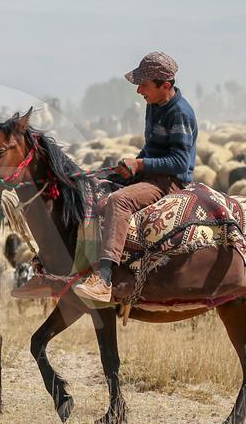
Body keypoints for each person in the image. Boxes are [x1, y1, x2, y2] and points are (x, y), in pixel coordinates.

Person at [72, 51, 198, 303]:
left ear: (165, 85)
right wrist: (132, 166)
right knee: (94, 191)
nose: (139, 90)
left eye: (143, 84)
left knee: (119, 201)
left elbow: (180, 162)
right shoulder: (154, 105)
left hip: (169, 182)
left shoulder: (179, 113)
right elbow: (152, 149)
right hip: (151, 175)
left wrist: (140, 164)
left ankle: (105, 278)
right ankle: (78, 268)